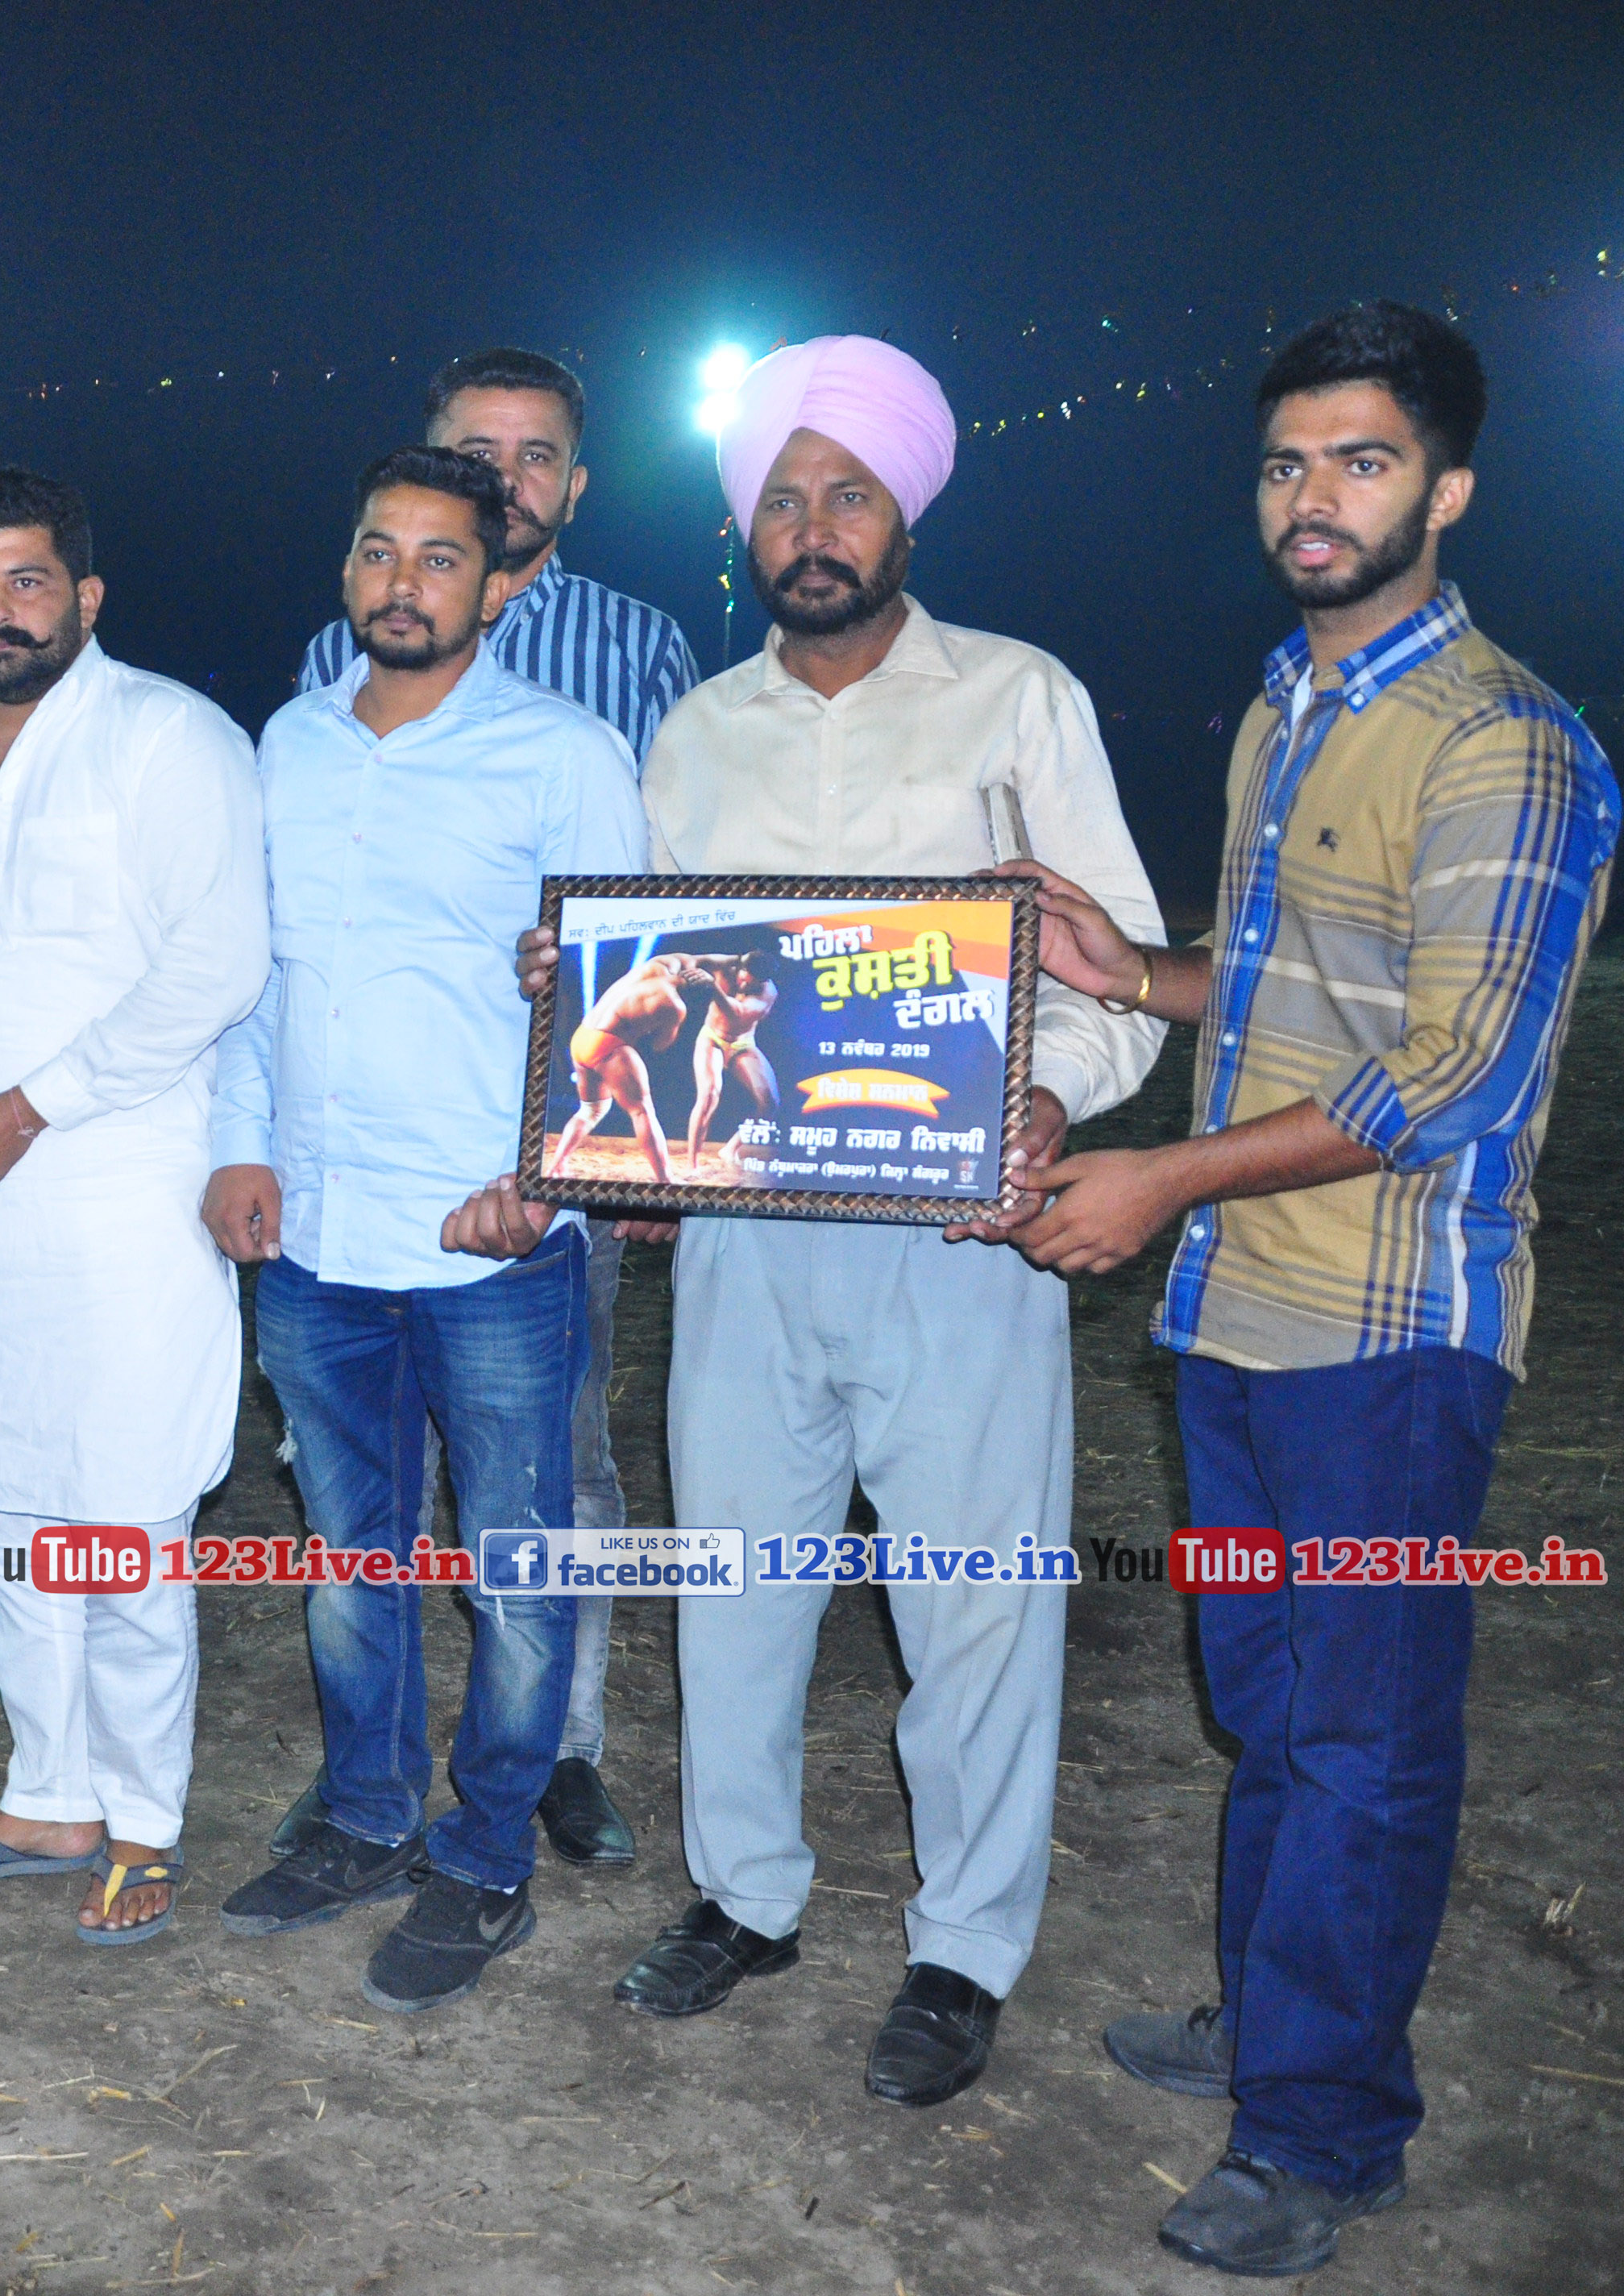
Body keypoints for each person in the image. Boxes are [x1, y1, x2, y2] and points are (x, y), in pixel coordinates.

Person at [1006, 306, 1618, 2277]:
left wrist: (1157, 1172)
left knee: (1360, 1735)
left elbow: (1451, 1075)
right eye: (1285, 462)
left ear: (1446, 489)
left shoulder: (1506, 741)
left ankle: (1322, 2130)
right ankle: (1273, 2020)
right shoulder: (1285, 704)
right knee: (1265, 1703)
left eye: (1359, 461)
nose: (1311, 496)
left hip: (1385, 1333)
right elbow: (1283, 991)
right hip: (1234, 1314)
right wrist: (1129, 972)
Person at [563, 334, 1168, 2107]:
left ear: (903, 512)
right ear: (742, 528)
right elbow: (659, 983)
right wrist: (587, 1033)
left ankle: (962, 1944)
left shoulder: (1017, 699)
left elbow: (1119, 972)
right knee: (736, 1580)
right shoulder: (694, 733)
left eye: (845, 494)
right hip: (746, 1245)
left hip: (957, 1239)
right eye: (779, 499)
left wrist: (1045, 1095)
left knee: (972, 1601)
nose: (810, 527)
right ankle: (742, 1894)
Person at [206, 446, 645, 2014]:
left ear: (494, 583)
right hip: (316, 1236)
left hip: (490, 1241)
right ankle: (367, 1812)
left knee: (513, 1568)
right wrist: (238, 1146)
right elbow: (257, 976)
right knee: (349, 1556)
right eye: (377, 550)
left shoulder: (562, 753)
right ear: (346, 570)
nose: (403, 581)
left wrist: (544, 1177)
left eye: (439, 556)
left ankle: (487, 1848)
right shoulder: (286, 744)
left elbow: (627, 996)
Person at [281, 349, 700, 1875]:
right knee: (360, 1517)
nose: (502, 480)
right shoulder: (311, 704)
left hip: (521, 1180)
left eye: (530, 460)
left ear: (565, 491)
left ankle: (542, 1771)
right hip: (343, 1198)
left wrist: (593, 1157)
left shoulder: (622, 671)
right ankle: (371, 1784)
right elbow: (296, 941)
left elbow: (655, 930)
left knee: (546, 1488)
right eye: (476, 450)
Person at [0, 469, 265, 1945]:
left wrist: (26, 1109)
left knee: (123, 1506)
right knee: (2, 1501)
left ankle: (144, 1817)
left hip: (113, 1187)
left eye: (27, 582)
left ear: (85, 596)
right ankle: (48, 1793)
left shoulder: (170, 737)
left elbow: (215, 963)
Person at [550, 951, 716, 1183]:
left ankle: (556, 1166)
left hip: (581, 1038)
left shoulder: (654, 970)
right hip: (606, 1045)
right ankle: (665, 1179)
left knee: (591, 1111)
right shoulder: (675, 1007)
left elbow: (704, 959)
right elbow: (661, 1045)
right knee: (642, 1111)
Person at [682, 956, 781, 1175]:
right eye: (743, 978)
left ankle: (730, 1148)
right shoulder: (725, 966)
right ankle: (692, 1164)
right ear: (741, 968)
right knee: (709, 1096)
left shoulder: (767, 993)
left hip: (742, 1043)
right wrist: (689, 973)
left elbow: (737, 1014)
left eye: (751, 983)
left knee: (770, 1103)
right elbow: (692, 961)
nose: (744, 984)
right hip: (712, 1039)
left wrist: (712, 987)